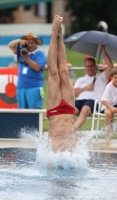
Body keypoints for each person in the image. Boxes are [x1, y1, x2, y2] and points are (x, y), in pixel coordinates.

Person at [46, 15, 76, 153]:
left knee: (59, 72)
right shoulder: (52, 157)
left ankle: (58, 36)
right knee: (59, 72)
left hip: (61, 112)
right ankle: (55, 35)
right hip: (63, 111)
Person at [74, 47, 113, 130]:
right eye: (87, 66)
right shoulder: (80, 79)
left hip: (94, 101)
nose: (90, 68)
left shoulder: (102, 77)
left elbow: (110, 66)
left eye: (92, 66)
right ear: (85, 67)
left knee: (84, 110)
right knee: (71, 112)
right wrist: (85, 88)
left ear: (95, 66)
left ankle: (70, 132)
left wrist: (104, 52)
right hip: (79, 100)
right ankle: (70, 133)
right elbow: (74, 93)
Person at [8, 32, 46, 109]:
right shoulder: (22, 50)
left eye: (32, 43)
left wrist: (26, 58)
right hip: (21, 86)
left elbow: (37, 68)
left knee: (34, 111)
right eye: (28, 43)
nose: (30, 45)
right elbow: (10, 45)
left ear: (36, 44)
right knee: (22, 111)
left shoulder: (40, 54)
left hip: (34, 87)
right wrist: (20, 41)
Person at [101, 68, 117, 144]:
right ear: (111, 78)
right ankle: (108, 136)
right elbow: (103, 100)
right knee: (108, 113)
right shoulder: (109, 86)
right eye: (115, 77)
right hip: (108, 105)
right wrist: (111, 107)